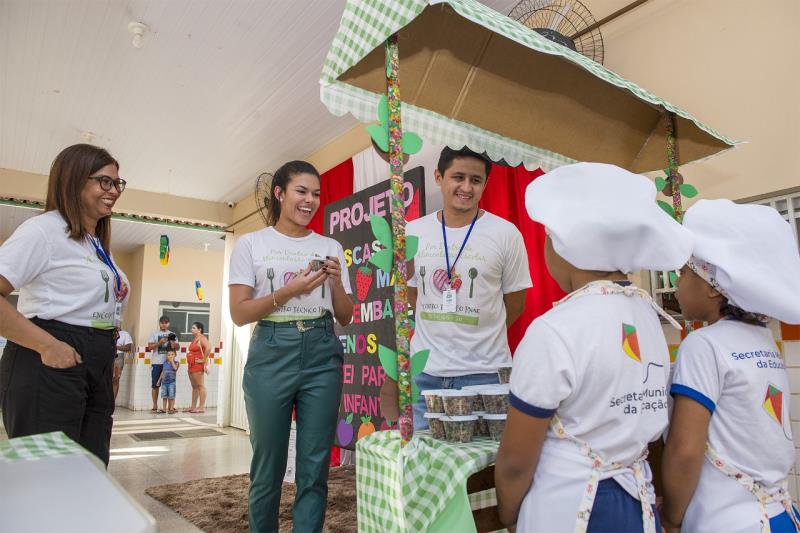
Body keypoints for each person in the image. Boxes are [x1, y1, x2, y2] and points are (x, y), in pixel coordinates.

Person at [494, 163, 693, 533]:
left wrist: (508, 513)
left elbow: (516, 460)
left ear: (569, 246)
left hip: (567, 511)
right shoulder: (648, 315)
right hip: (638, 504)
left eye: (550, 237)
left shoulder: (554, 329)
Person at [229, 160, 353, 533]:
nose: (310, 200)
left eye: (316, 193)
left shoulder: (329, 245)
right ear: (279, 194)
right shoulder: (251, 244)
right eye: (301, 191)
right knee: (267, 468)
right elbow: (238, 313)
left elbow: (344, 315)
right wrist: (289, 292)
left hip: (321, 350)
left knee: (314, 468)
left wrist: (334, 284)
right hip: (271, 350)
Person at [661, 199, 800, 533]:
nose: (677, 283)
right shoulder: (763, 339)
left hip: (727, 523)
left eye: (683, 273)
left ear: (712, 286)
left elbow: (685, 449)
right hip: (782, 516)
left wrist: (670, 517)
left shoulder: (703, 344)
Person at [381, 146, 532, 428]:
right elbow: (412, 295)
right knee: (421, 462)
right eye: (458, 177)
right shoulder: (413, 233)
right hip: (424, 373)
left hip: (486, 376)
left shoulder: (505, 234)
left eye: (475, 180)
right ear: (439, 177)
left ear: (485, 184)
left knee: (482, 466)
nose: (466, 187)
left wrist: (481, 332)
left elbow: (516, 303)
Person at [0, 143, 129, 466]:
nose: (114, 190)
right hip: (52, 360)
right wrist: (47, 346)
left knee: (91, 471)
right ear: (73, 179)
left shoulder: (94, 243)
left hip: (93, 362)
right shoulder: (43, 231)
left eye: (117, 183)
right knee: (51, 477)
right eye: (105, 181)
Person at [146, 316, 179, 413]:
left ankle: (171, 407)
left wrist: (173, 344)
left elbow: (177, 348)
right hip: (157, 363)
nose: (164, 324)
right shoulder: (154, 334)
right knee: (155, 385)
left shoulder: (172, 334)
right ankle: (155, 406)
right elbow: (149, 347)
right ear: (159, 323)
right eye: (162, 322)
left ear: (169, 324)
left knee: (171, 384)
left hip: (169, 364)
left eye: (166, 322)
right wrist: (159, 343)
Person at [185, 321, 210, 413]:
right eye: (192, 328)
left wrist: (203, 359)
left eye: (194, 328)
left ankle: (201, 407)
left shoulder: (202, 338)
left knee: (200, 386)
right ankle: (193, 406)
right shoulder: (195, 339)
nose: (191, 329)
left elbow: (208, 347)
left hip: (197, 365)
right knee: (194, 386)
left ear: (200, 330)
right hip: (191, 365)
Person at [156, 349, 179, 414]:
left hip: (172, 382)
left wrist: (172, 362)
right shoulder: (165, 363)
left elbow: (175, 368)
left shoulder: (176, 363)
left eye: (172, 354)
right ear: (166, 356)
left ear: (175, 355)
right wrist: (159, 381)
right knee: (164, 396)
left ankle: (171, 408)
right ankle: (164, 409)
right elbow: (162, 372)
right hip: (164, 382)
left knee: (171, 396)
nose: (170, 356)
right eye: (168, 355)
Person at [113, 327, 133, 401]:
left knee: (116, 379)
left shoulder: (125, 334)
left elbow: (128, 347)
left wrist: (115, 347)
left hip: (118, 357)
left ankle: (112, 402)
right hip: (106, 356)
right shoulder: (106, 332)